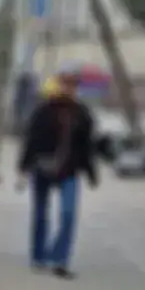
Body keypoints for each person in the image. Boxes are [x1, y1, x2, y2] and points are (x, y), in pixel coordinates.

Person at [17, 70, 98, 277]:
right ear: (58, 85)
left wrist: (91, 173)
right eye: (65, 84)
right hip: (42, 168)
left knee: (68, 214)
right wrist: (23, 170)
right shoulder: (44, 110)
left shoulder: (82, 114)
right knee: (41, 214)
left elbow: (87, 146)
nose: (68, 89)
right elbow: (31, 141)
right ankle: (39, 256)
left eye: (72, 85)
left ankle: (60, 259)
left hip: (69, 171)